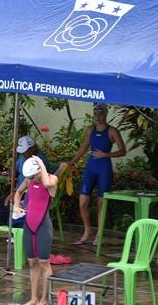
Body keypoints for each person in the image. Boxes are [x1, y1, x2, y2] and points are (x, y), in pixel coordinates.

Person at [69, 103, 126, 245]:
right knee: (83, 202)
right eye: (96, 113)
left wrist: (106, 154)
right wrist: (70, 163)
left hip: (104, 169)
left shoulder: (112, 131)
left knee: (101, 203)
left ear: (105, 114)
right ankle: (87, 230)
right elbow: (83, 147)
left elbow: (123, 151)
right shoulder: (90, 130)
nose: (98, 115)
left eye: (101, 113)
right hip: (90, 168)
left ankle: (99, 234)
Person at [13, 156, 58, 305]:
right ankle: (34, 298)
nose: (32, 179)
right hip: (29, 225)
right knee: (32, 262)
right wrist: (16, 205)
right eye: (29, 177)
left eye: (33, 176)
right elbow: (18, 193)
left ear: (40, 170)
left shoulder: (52, 179)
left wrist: (41, 163)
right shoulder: (29, 181)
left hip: (43, 226)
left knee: (44, 262)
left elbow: (46, 183)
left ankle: (44, 299)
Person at [0, 136, 53, 227]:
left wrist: (15, 193)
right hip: (20, 190)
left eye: (25, 151)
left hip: (32, 194)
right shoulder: (23, 156)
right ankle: (16, 230)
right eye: (22, 151)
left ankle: (19, 230)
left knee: (4, 208)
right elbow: (15, 171)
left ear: (33, 148)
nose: (23, 153)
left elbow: (34, 184)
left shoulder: (38, 161)